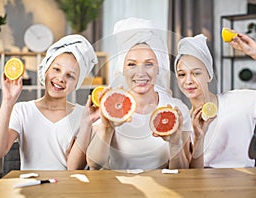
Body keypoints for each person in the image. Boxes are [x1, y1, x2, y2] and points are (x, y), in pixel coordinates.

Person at [84, 17, 198, 170]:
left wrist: (175, 143)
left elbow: (182, 172)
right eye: (131, 64)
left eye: (149, 64)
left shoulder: (176, 109)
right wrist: (106, 127)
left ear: (159, 68)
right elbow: (94, 164)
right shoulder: (110, 105)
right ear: (122, 70)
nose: (140, 72)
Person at [174, 33, 256, 168]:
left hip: (244, 183)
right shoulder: (183, 121)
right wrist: (198, 138)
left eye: (196, 73)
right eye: (182, 74)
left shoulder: (239, 100)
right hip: (206, 185)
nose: (188, 81)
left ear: (209, 75)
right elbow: (194, 173)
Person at [0, 34, 99, 170]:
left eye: (70, 75)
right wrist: (8, 101)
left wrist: (86, 124)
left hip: (67, 189)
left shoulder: (83, 115)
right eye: (56, 69)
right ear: (45, 70)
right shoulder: (22, 111)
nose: (61, 78)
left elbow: (74, 168)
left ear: (76, 85)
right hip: (31, 187)